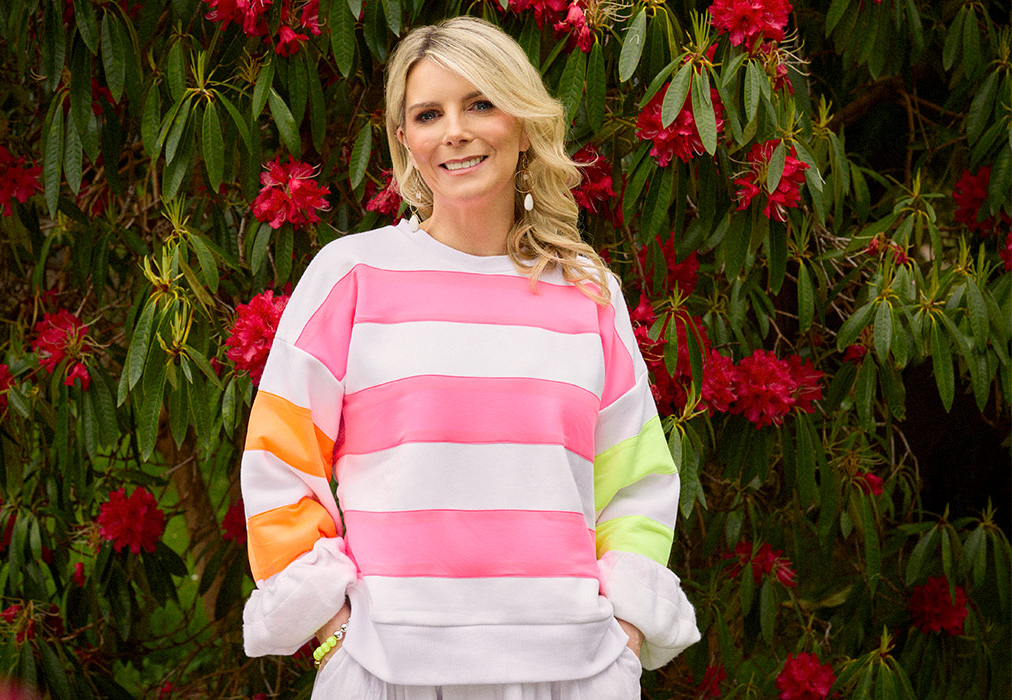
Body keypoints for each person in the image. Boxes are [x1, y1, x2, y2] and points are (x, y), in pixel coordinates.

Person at [240, 15, 699, 699]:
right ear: (405, 139)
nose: (454, 131)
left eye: (480, 103)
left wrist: (627, 635)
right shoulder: (352, 277)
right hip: (387, 671)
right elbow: (278, 464)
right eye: (428, 114)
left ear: (522, 122)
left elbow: (635, 482)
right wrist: (334, 632)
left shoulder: (587, 292)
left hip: (573, 675)